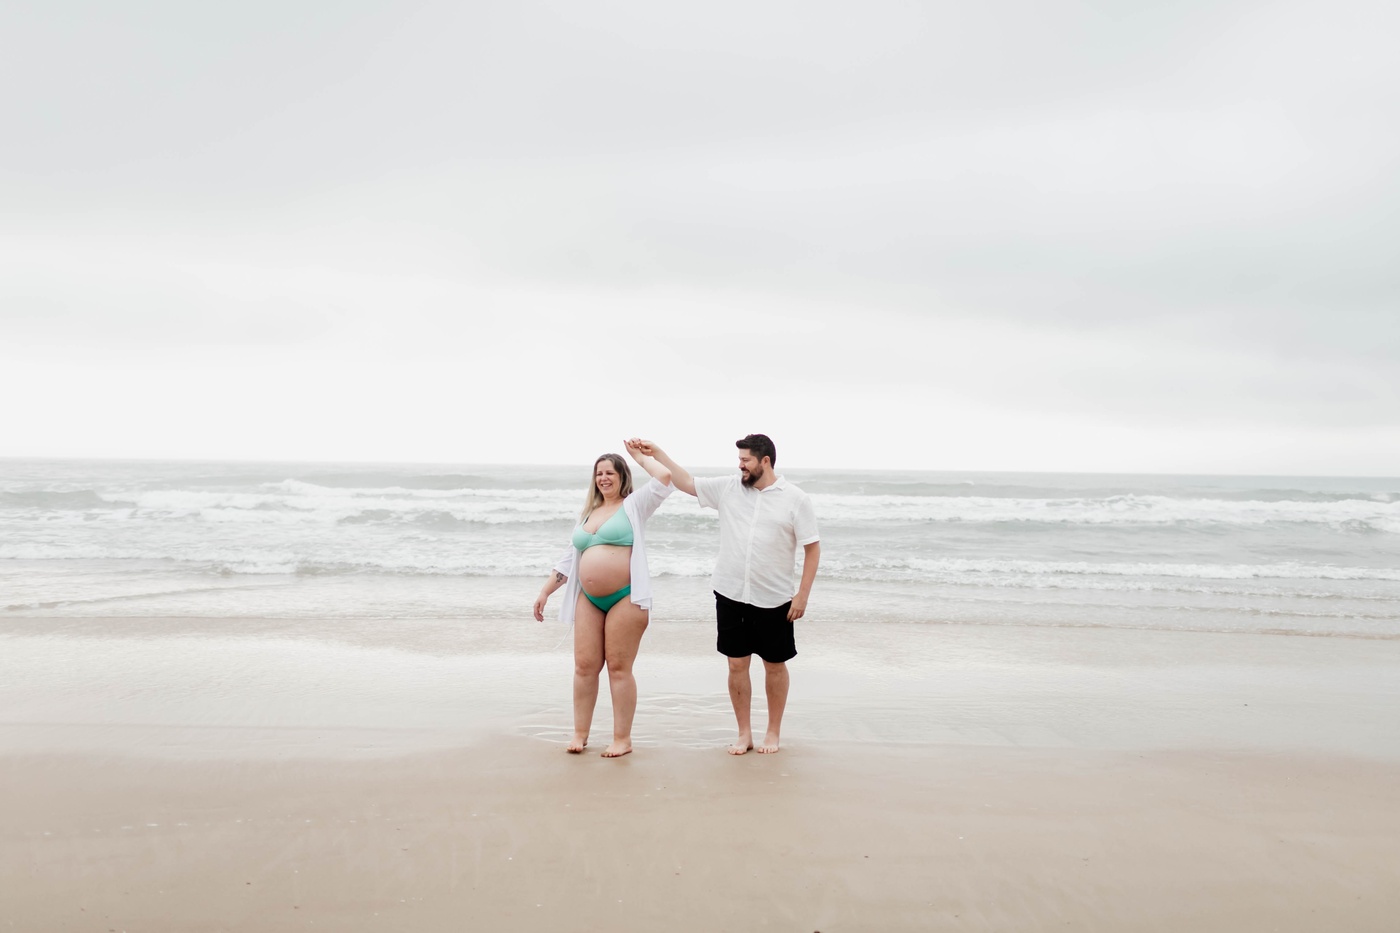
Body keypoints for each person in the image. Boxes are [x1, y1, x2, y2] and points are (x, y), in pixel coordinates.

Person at [628, 434, 819, 755]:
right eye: (739, 460)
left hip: (775, 598)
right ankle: (744, 734)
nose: (740, 465)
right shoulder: (729, 488)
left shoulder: (796, 499)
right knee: (736, 665)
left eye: (745, 460)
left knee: (774, 666)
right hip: (730, 593)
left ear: (765, 461)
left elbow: (812, 547)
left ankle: (773, 732)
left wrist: (802, 596)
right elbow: (686, 482)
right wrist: (656, 453)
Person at [533, 442, 672, 757]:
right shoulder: (588, 514)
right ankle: (580, 733)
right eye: (599, 473)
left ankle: (622, 738)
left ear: (623, 477)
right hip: (589, 599)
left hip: (626, 598)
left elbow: (664, 478)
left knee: (618, 668)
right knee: (584, 666)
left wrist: (640, 457)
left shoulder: (635, 505)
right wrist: (545, 591)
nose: (604, 478)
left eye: (610, 473)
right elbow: (568, 559)